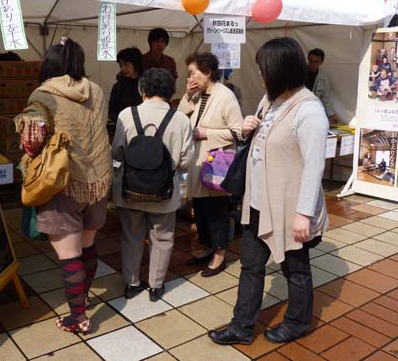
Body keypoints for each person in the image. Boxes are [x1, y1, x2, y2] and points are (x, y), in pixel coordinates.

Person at [209, 37, 329, 346]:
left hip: (290, 208)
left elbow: (314, 167)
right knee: (251, 266)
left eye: (263, 68)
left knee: (295, 270)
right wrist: (249, 126)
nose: (260, 74)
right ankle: (242, 325)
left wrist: (304, 214)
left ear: (280, 69)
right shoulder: (269, 100)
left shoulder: (309, 110)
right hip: (258, 202)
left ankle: (298, 322)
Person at [15, 38, 112, 334]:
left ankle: (78, 317)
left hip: (64, 183)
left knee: (69, 256)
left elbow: (31, 141)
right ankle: (82, 298)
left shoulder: (43, 94)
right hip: (97, 181)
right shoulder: (95, 89)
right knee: (87, 246)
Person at [112, 68, 194, 302]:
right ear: (170, 92)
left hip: (130, 190)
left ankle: (132, 282)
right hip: (164, 192)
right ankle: (156, 286)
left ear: (143, 90)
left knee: (131, 235)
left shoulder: (126, 115)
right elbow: (187, 160)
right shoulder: (180, 119)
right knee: (162, 237)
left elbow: (117, 150)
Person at [178, 53, 243, 276]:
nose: (190, 78)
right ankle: (207, 247)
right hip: (197, 163)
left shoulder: (226, 96)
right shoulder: (196, 95)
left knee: (217, 211)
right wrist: (187, 95)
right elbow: (179, 119)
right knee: (201, 210)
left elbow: (238, 132)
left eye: (193, 73)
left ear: (207, 72)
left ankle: (219, 255)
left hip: (216, 164)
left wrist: (207, 133)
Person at [108, 47, 143, 123]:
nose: (123, 68)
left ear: (136, 64)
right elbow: (111, 113)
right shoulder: (118, 87)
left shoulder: (146, 85)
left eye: (126, 65)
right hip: (124, 127)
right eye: (121, 65)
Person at [306, 48, 338, 124]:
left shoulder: (323, 77)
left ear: (321, 62)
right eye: (311, 60)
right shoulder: (299, 72)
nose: (313, 64)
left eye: (316, 62)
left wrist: (331, 115)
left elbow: (324, 97)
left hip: (312, 110)